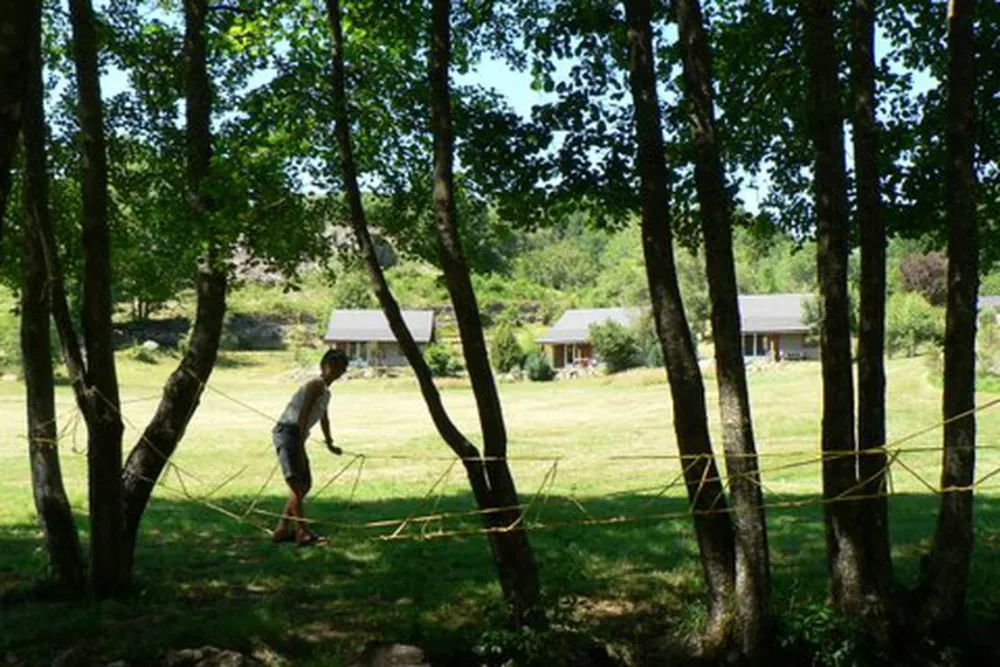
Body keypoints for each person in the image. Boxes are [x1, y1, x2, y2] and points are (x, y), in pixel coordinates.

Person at [271, 348, 348, 545]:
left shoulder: (326, 392)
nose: (338, 370)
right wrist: (300, 441)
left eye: (342, 367)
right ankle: (302, 533)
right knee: (298, 485)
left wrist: (330, 443)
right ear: (324, 366)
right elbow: (304, 412)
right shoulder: (316, 384)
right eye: (334, 365)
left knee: (304, 485)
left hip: (296, 435)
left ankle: (282, 529)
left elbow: (324, 418)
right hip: (289, 433)